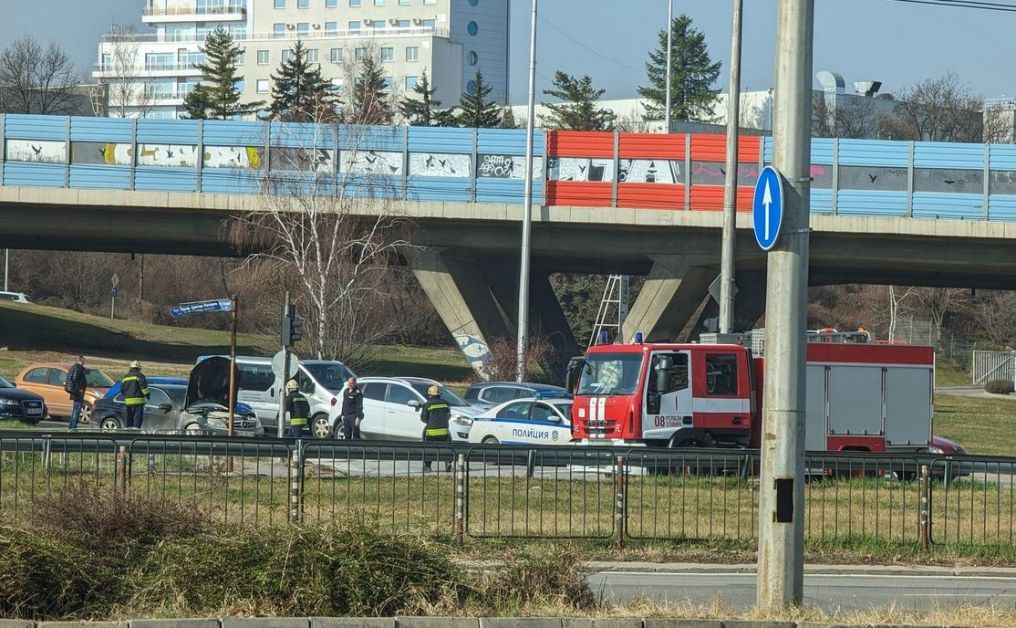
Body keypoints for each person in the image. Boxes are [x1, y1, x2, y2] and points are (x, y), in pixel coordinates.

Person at [419, 384, 451, 472]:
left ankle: (427, 467)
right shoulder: (445, 403)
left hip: (431, 432)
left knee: (429, 450)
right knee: (445, 449)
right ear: (439, 394)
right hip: (444, 432)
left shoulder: (427, 404)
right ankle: (448, 463)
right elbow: (448, 415)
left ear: (430, 394)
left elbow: (424, 419)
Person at [120, 360, 150, 429]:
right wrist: (148, 396)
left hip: (128, 403)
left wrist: (127, 395)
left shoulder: (125, 377)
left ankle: (129, 436)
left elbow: (122, 390)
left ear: (130, 368)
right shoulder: (140, 376)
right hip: (138, 403)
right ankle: (136, 436)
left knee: (129, 422)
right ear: (139, 368)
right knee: (137, 422)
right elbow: (144, 388)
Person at [64, 355, 87, 431]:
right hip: (77, 393)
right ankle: (73, 427)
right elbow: (75, 378)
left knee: (75, 410)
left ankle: (71, 426)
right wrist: (80, 389)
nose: (84, 362)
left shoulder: (73, 367)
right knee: (76, 410)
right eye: (84, 360)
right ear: (81, 360)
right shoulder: (78, 368)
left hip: (74, 392)